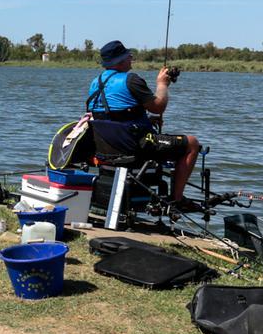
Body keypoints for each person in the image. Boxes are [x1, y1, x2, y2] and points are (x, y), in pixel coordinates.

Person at [86, 40, 201, 212]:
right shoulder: (131, 80)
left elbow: (112, 115)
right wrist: (162, 84)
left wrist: (145, 120)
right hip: (133, 146)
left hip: (107, 147)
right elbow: (158, 106)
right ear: (120, 60)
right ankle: (177, 200)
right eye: (128, 56)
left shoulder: (96, 82)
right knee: (192, 144)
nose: (131, 58)